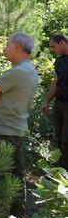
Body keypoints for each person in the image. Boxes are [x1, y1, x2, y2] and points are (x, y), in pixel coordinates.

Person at [0, 32, 38, 218]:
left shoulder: (17, 72)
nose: (4, 48)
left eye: (7, 45)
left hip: (5, 130)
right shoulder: (28, 69)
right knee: (15, 176)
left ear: (17, 47)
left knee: (1, 176)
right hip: (14, 129)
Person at [41, 33, 68, 170]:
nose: (52, 49)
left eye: (53, 46)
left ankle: (64, 172)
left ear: (63, 42)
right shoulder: (59, 60)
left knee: (66, 140)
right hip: (59, 103)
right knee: (58, 136)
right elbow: (55, 82)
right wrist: (46, 100)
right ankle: (59, 169)